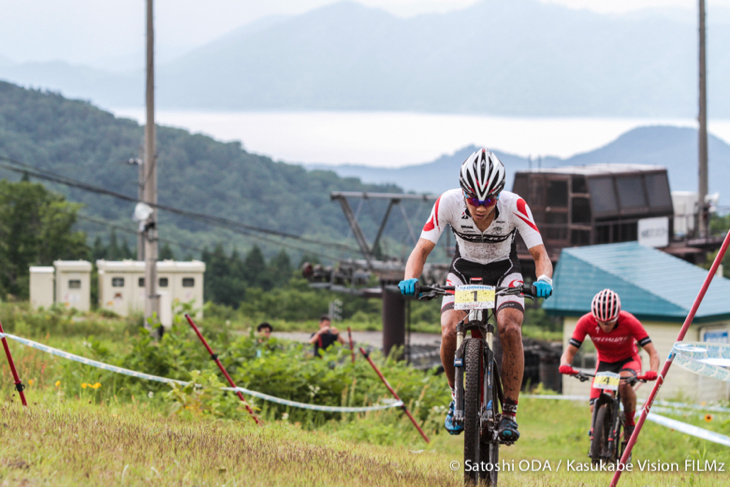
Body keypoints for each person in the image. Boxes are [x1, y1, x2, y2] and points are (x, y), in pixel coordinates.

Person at [398, 148, 553, 442]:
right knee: (447, 333)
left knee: (509, 328)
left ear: (500, 193)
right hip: (464, 271)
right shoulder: (447, 202)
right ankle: (457, 396)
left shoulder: (516, 205)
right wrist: (410, 278)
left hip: (505, 271)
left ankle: (509, 411)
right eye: (473, 199)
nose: (481, 207)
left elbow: (539, 254)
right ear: (463, 191)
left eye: (489, 200)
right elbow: (421, 249)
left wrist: (544, 277)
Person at [559, 289, 660, 443]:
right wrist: (565, 364)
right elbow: (570, 350)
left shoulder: (630, 321)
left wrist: (653, 371)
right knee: (594, 407)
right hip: (605, 363)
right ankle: (600, 437)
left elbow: (652, 352)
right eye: (601, 321)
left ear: (618, 316)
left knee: (623, 384)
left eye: (610, 322)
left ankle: (629, 424)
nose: (605, 325)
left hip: (628, 360)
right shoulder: (586, 322)